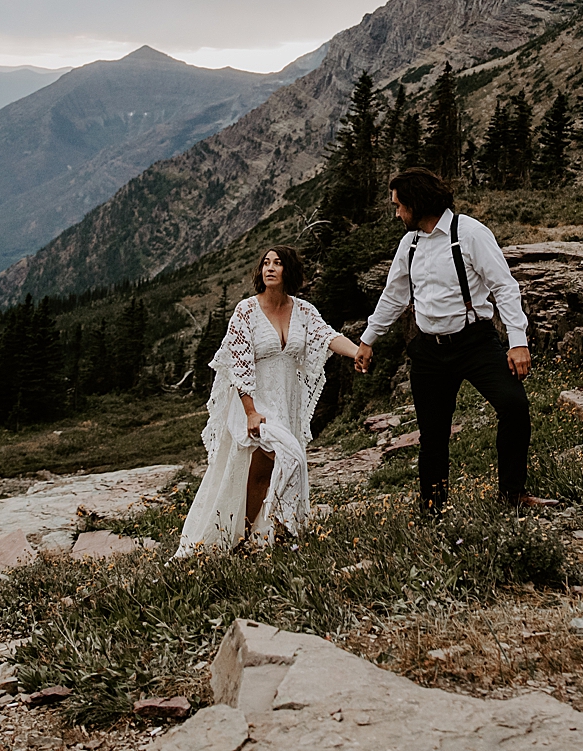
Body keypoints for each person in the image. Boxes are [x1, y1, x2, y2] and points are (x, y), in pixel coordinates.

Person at [355, 168, 547, 513]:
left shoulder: (470, 233)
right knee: (433, 433)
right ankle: (433, 508)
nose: (397, 213)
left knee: (514, 406)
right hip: (429, 349)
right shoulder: (409, 243)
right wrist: (368, 340)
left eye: (400, 206)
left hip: (475, 341)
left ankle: (513, 494)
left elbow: (505, 286)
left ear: (417, 202)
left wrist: (518, 342)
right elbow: (394, 296)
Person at [176, 246, 362, 555]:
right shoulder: (246, 311)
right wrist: (250, 412)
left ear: (289, 271)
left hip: (284, 404)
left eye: (277, 263)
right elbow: (239, 363)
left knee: (266, 471)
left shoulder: (303, 311)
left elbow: (327, 336)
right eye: (265, 263)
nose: (270, 268)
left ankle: (266, 533)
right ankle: (251, 534)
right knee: (287, 459)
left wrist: (357, 351)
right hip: (254, 404)